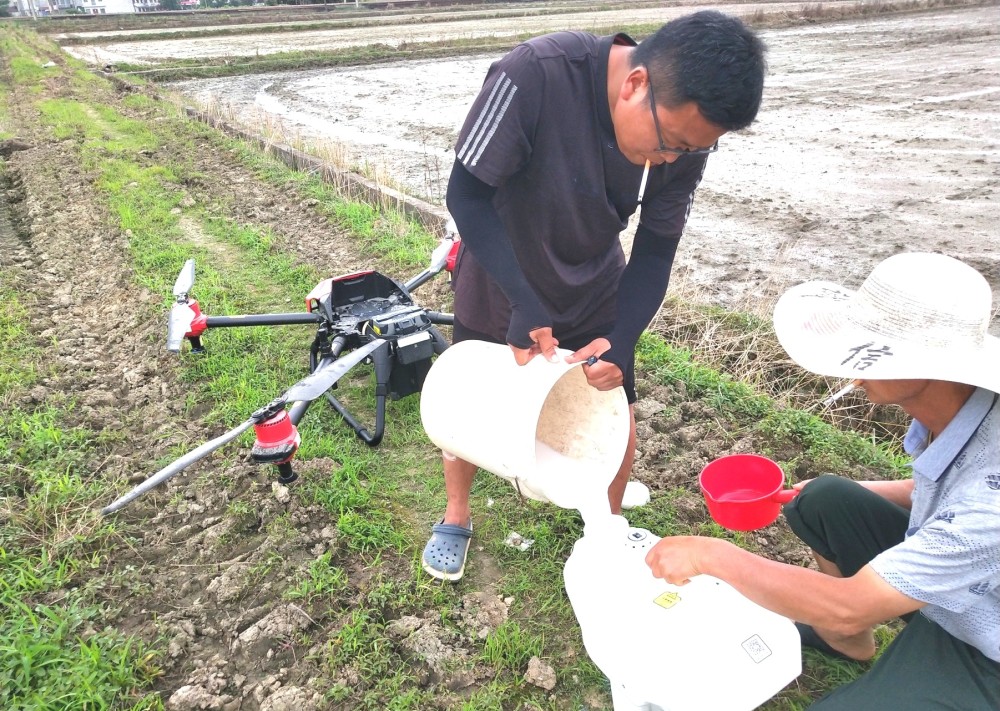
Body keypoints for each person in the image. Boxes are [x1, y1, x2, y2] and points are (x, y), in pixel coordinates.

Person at [421, 10, 767, 581]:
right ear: (636, 85)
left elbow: (656, 248)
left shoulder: (684, 137)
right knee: (473, 397)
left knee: (615, 402)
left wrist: (624, 340)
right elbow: (467, 196)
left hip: (594, 273)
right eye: (671, 144)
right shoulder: (533, 74)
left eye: (691, 151)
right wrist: (523, 300)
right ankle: (456, 515)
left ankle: (606, 531)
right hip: (503, 267)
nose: (672, 161)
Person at [645, 252, 1000, 709]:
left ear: (931, 366)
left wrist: (709, 554)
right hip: (964, 587)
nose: (854, 370)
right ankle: (846, 642)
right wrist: (848, 494)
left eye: (872, 352)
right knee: (825, 496)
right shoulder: (954, 410)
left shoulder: (991, 494)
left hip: (985, 643)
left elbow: (850, 602)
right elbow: (938, 497)